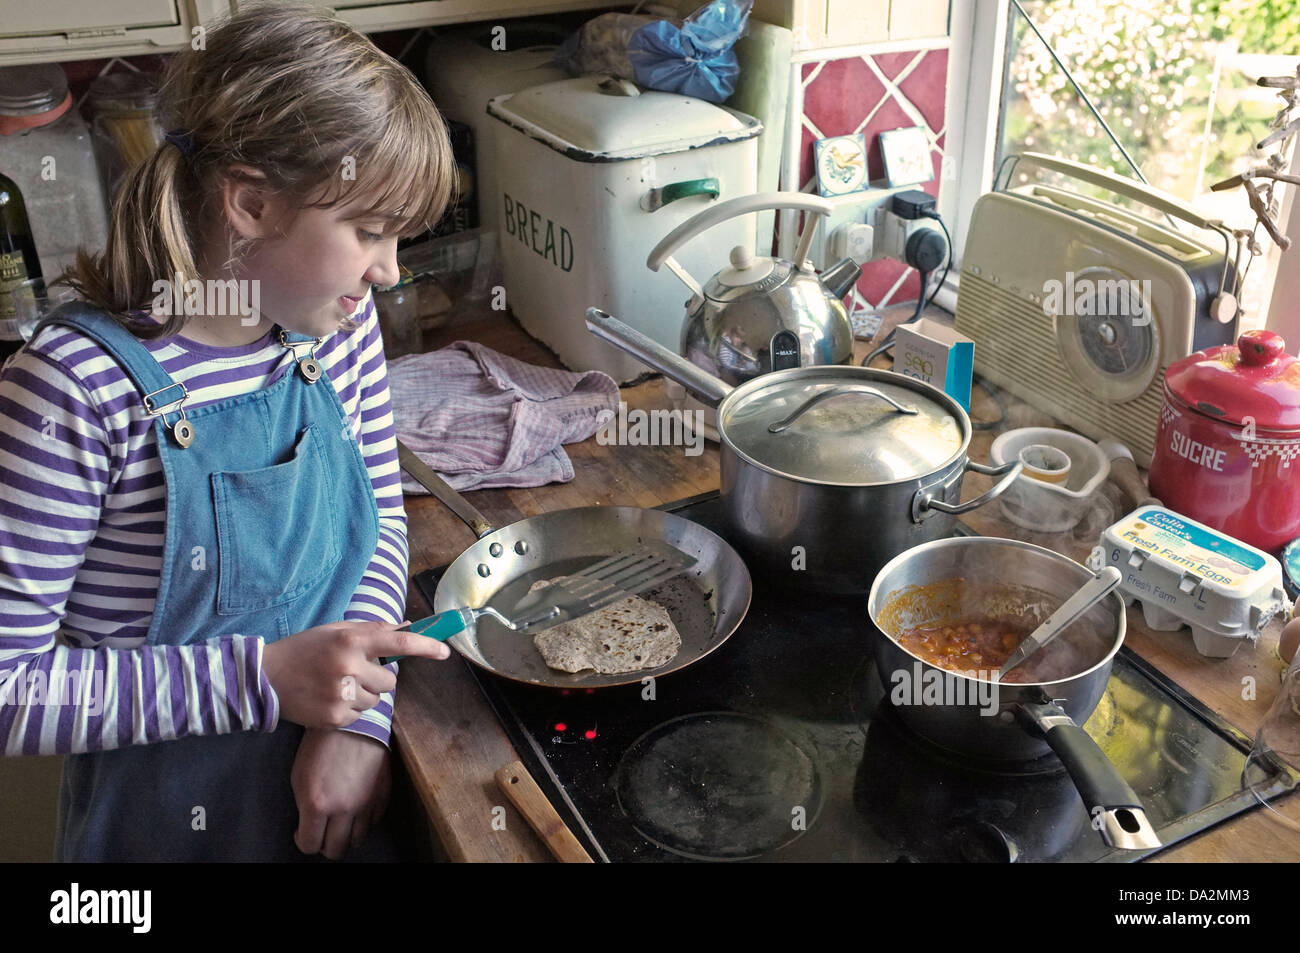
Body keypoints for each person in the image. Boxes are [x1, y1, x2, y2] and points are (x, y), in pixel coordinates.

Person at [0, 2, 455, 861]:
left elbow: (382, 522)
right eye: (369, 231)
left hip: (335, 792)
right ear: (250, 202)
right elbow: (7, 689)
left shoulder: (331, 326)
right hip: (162, 825)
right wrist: (264, 681)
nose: (390, 273)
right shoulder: (72, 389)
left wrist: (359, 719)